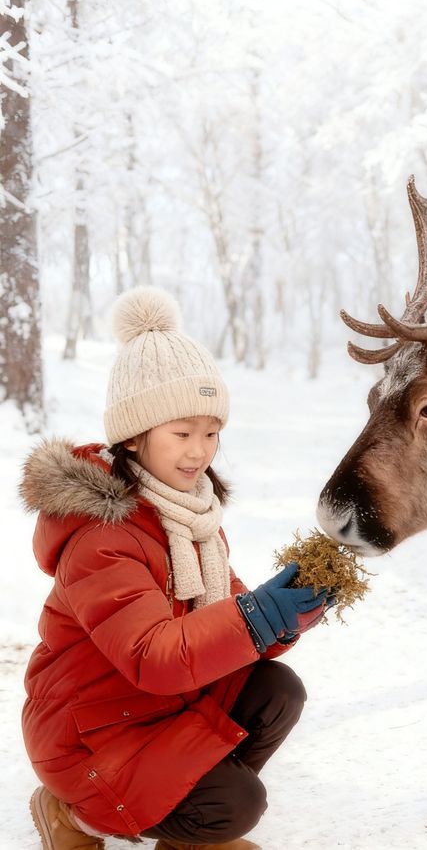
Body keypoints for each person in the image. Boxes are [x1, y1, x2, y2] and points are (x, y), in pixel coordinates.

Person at [20, 287, 329, 850]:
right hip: (90, 733)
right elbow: (152, 657)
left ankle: (185, 824)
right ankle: (72, 816)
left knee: (276, 690)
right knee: (236, 804)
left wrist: (290, 611)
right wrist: (257, 616)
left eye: (211, 433)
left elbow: (225, 620)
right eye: (182, 434)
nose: (199, 452)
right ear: (135, 436)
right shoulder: (102, 537)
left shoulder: (191, 517)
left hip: (159, 707)